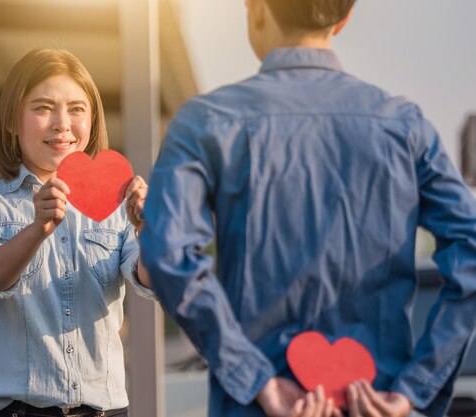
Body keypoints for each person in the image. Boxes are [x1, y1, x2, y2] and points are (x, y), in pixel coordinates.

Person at [140, 1, 476, 417]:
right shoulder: (405, 126)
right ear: (344, 18)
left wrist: (254, 379)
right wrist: (413, 388)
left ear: (256, 9)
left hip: (255, 408)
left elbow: (166, 253)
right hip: (371, 402)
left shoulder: (205, 121)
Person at [0, 48, 154, 417]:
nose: (62, 123)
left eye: (77, 109)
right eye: (43, 108)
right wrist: (37, 230)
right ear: (12, 120)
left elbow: (150, 282)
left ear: (92, 120)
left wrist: (149, 230)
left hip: (104, 410)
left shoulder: (116, 205)